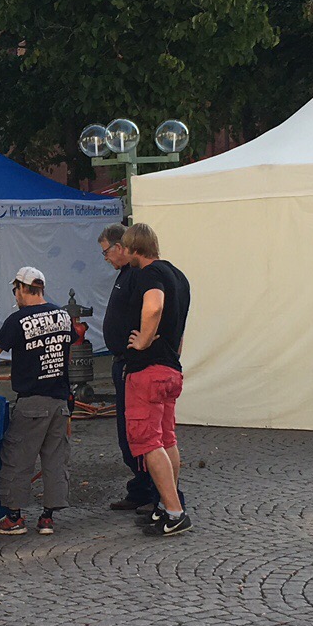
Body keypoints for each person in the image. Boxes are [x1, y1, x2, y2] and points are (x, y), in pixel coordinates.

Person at [0, 266, 73, 535]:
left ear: (24, 288)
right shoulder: (63, 316)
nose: (15, 295)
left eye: (16, 289)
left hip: (32, 402)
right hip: (59, 402)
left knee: (17, 458)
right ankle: (47, 518)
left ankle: (14, 518)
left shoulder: (18, 320)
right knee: (55, 460)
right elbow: (66, 356)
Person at [121, 222, 192, 536]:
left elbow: (154, 305)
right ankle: (166, 506)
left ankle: (174, 513)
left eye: (125, 249)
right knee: (166, 440)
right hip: (170, 369)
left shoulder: (149, 273)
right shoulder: (179, 276)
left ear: (135, 249)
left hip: (148, 371)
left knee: (149, 442)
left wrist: (143, 341)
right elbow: (180, 325)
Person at [98, 224, 162, 515]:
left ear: (120, 247)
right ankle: (141, 488)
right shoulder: (127, 275)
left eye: (106, 252)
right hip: (123, 361)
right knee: (128, 434)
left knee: (137, 434)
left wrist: (142, 344)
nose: (106, 258)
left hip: (132, 363)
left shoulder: (139, 275)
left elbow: (155, 309)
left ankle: (153, 491)